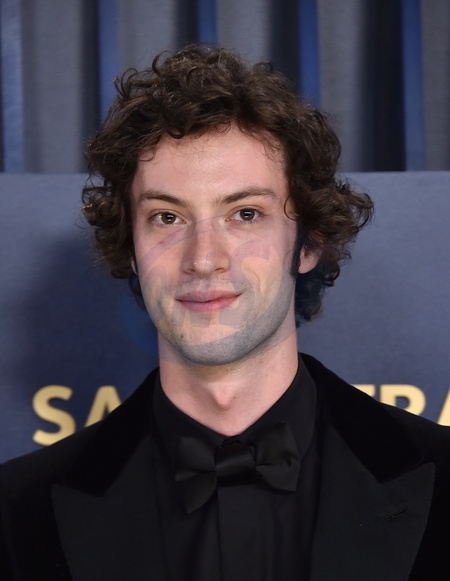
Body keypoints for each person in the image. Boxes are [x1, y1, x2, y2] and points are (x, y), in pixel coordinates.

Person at [0, 44, 449, 581]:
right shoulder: (17, 513)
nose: (203, 258)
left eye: (245, 214)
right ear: (132, 248)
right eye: (167, 217)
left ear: (308, 242)